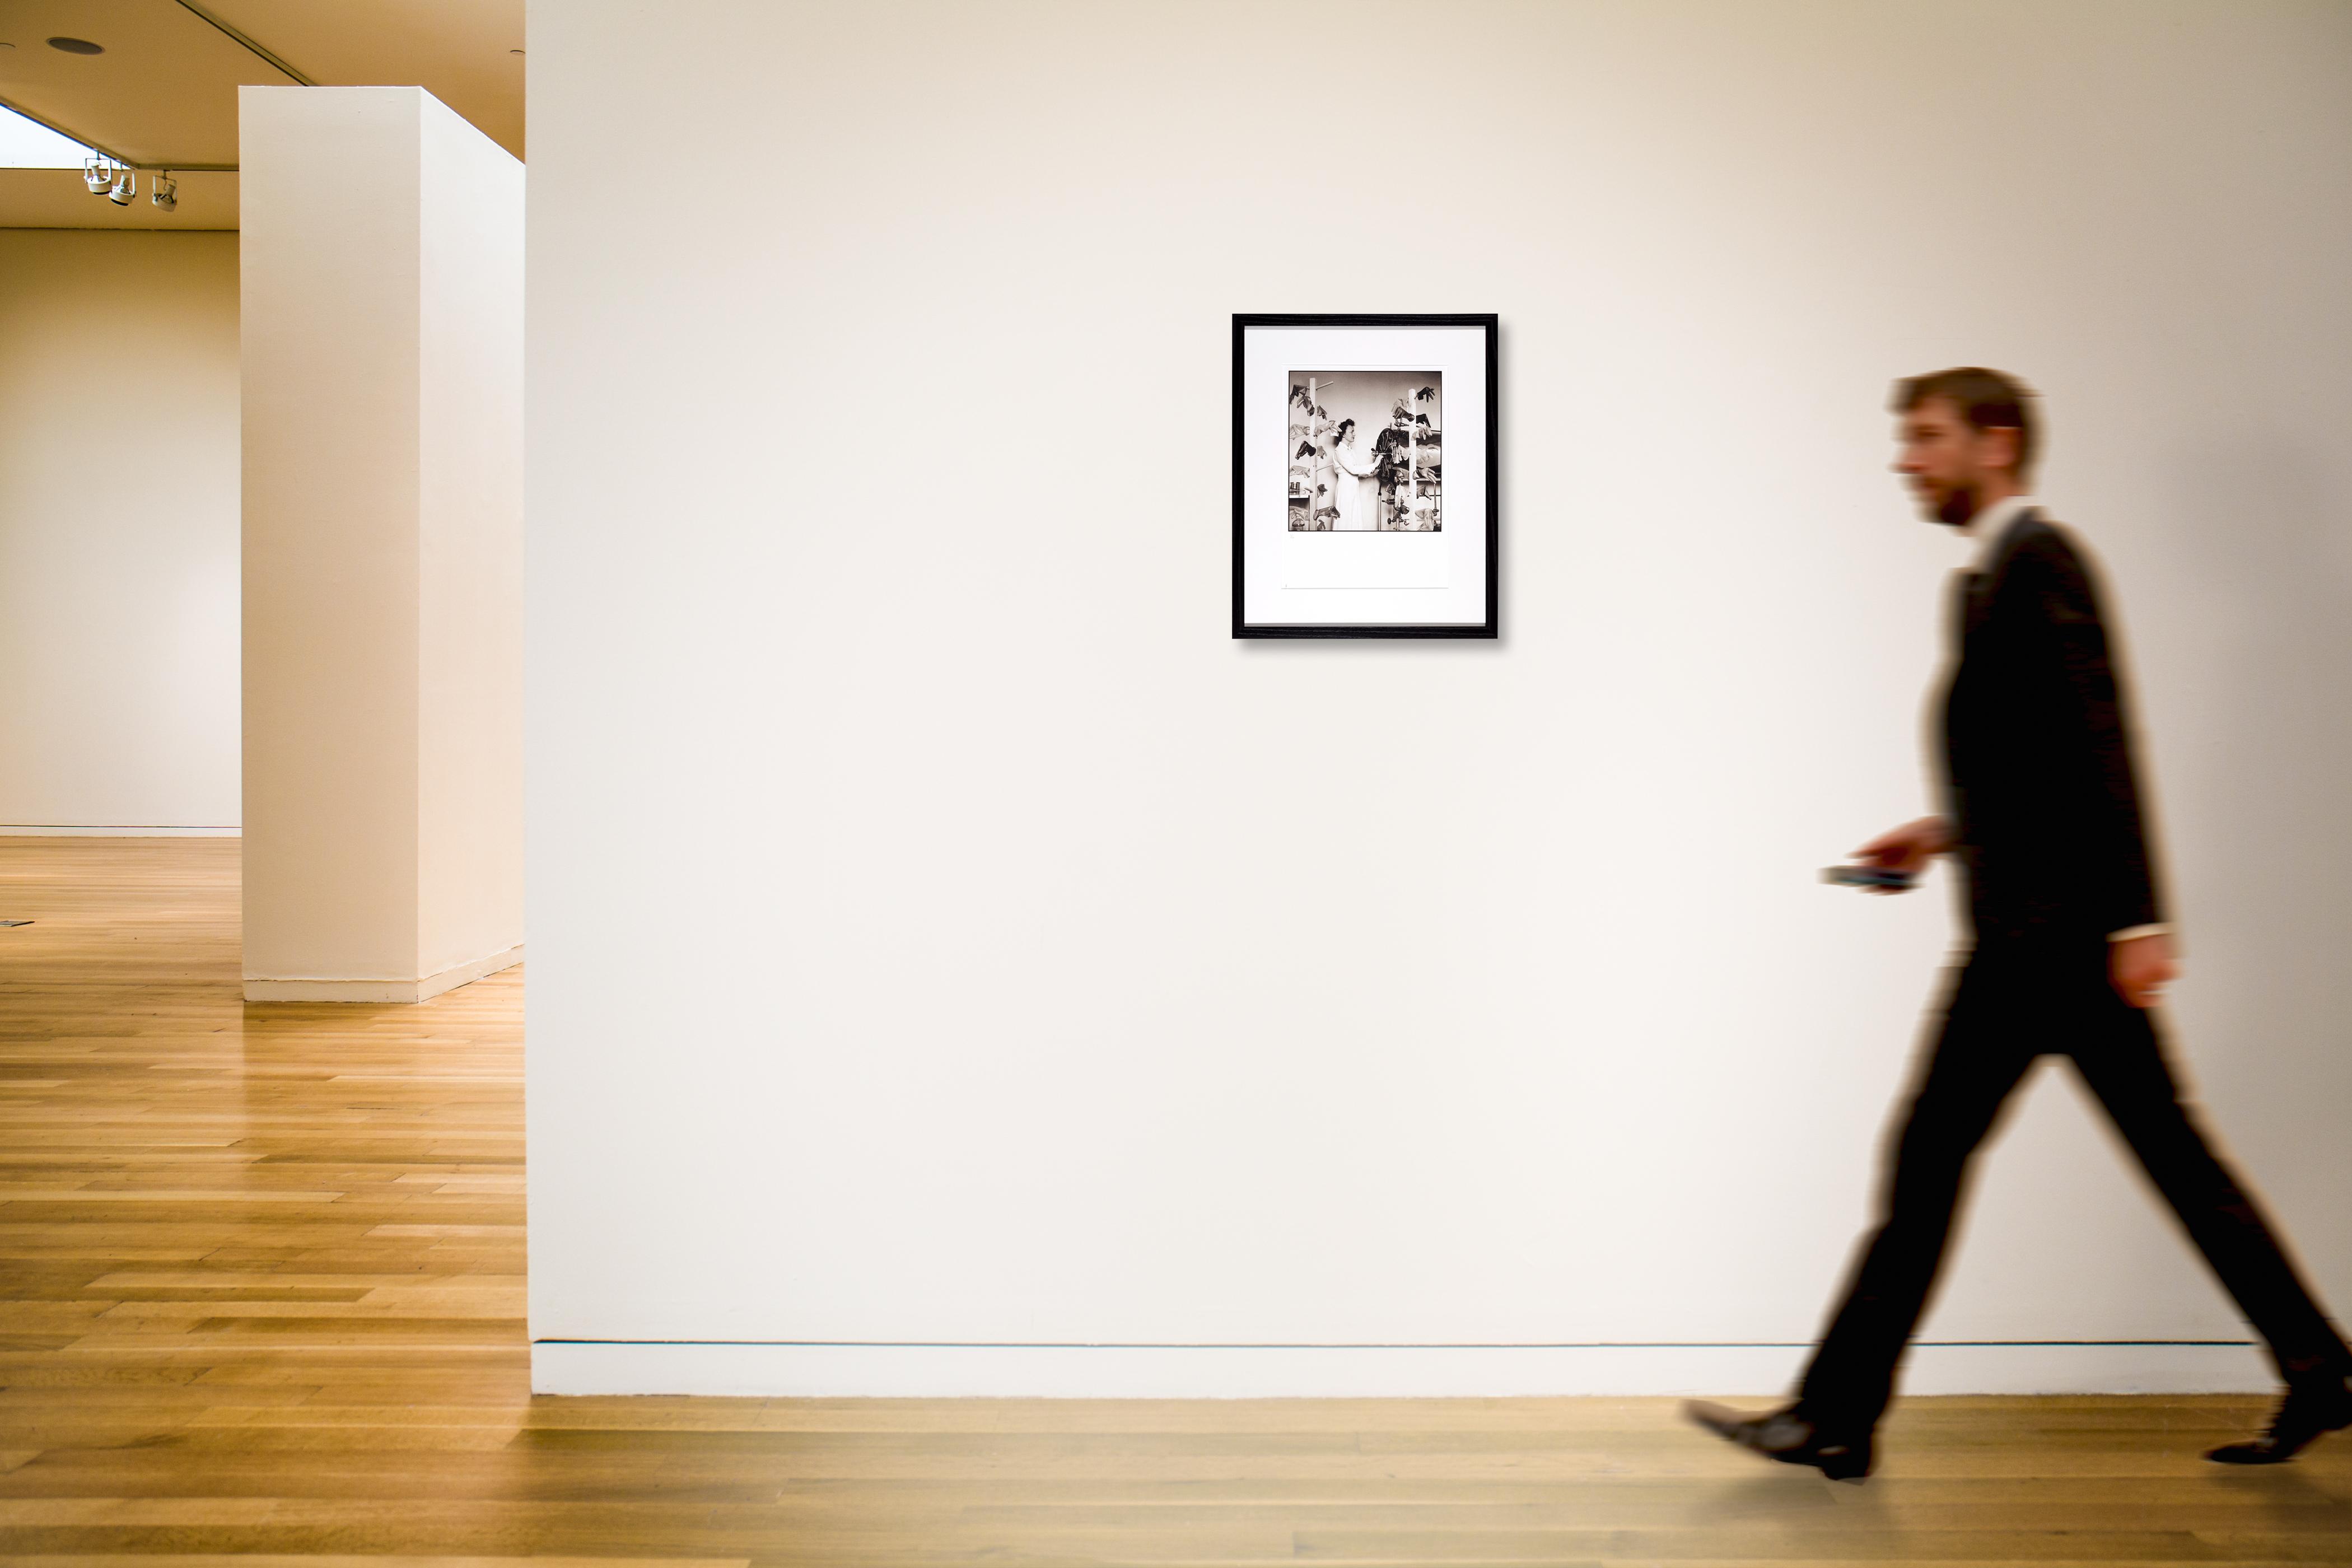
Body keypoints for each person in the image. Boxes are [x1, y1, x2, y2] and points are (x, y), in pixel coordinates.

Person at [1685, 367, 2352, 1481]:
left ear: (1997, 443)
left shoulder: (2045, 560)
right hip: (2039, 931)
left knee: (1931, 1158)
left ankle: (1835, 1413)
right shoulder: (1981, 583)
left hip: (2049, 941)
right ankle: (2322, 1366)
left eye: (1928, 437)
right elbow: (2036, 763)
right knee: (2168, 1159)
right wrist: (1942, 832)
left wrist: (2142, 918)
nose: (1907, 459)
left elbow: (2103, 741)